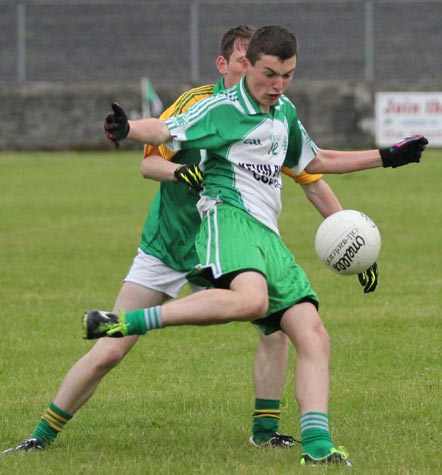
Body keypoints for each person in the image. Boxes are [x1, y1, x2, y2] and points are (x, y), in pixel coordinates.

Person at [2, 25, 359, 456]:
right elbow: (150, 162)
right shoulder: (199, 105)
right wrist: (179, 170)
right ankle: (40, 436)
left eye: (265, 68)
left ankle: (265, 432)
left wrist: (350, 239)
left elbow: (312, 178)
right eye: (247, 63)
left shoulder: (269, 117)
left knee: (277, 327)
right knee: (111, 350)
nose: (262, 77)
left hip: (229, 243)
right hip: (170, 247)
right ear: (225, 64)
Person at [83, 25, 427, 466]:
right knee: (251, 300)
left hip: (267, 235)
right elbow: (168, 130)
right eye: (269, 74)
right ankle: (127, 321)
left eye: (287, 75)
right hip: (228, 219)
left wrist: (388, 157)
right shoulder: (224, 109)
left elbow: (315, 162)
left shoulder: (284, 111)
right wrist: (128, 127)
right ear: (248, 66)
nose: (277, 85)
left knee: (312, 332)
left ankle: (318, 449)